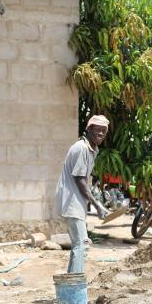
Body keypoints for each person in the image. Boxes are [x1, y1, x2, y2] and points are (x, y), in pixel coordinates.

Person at [54, 115, 111, 273]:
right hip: (71, 201)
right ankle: (75, 285)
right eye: (97, 130)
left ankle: (72, 282)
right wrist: (96, 205)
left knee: (78, 245)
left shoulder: (90, 149)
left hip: (75, 202)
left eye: (103, 131)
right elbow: (80, 180)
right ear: (89, 129)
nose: (100, 134)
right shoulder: (81, 148)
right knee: (82, 244)